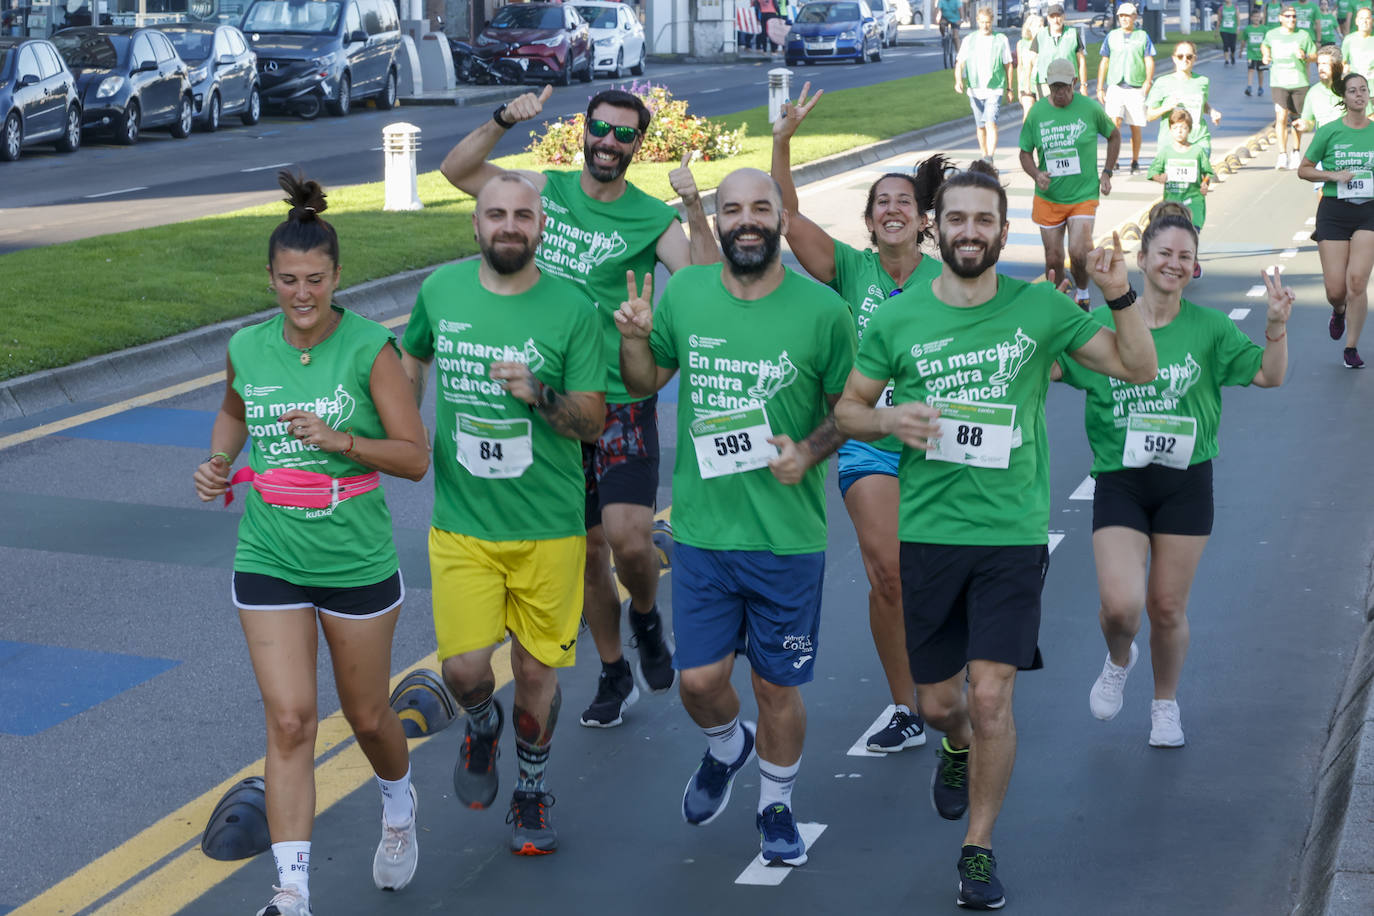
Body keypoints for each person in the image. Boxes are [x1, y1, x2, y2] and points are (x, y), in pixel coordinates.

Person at [833, 160, 1157, 911]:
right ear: (932, 227)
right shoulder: (898, 318)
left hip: (1011, 536)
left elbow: (1137, 366)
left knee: (990, 698)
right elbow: (849, 410)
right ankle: (950, 747)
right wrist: (889, 419)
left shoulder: (1037, 311)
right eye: (957, 219)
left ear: (1003, 231)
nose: (970, 231)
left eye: (984, 220)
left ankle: (976, 848)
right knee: (941, 705)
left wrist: (1118, 293)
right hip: (930, 533)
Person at [440, 87, 719, 730]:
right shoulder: (544, 193)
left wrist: (694, 207)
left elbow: (706, 280)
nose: (609, 144)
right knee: (589, 551)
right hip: (550, 404)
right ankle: (615, 668)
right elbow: (458, 174)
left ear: (636, 147)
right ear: (584, 131)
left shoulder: (651, 219)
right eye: (601, 129)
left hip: (619, 399)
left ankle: (646, 616)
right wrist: (504, 119)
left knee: (628, 539)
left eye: (625, 136)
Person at [193, 172, 431, 916]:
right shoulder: (247, 346)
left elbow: (415, 456)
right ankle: (291, 892)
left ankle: (398, 804)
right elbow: (234, 412)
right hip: (268, 553)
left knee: (365, 717)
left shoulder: (370, 349)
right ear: (270, 277)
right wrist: (220, 461)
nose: (302, 295)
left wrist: (340, 440)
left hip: (355, 558)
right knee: (291, 719)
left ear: (337, 276)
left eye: (316, 280)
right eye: (289, 280)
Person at [615, 167, 857, 868]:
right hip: (702, 534)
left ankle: (775, 803)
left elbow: (849, 409)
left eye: (760, 207)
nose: (746, 220)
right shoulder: (687, 292)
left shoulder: (822, 313)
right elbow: (645, 380)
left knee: (777, 686)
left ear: (782, 216)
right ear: (715, 219)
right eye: (732, 209)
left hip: (786, 540)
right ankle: (728, 746)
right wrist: (635, 336)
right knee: (698, 682)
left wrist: (808, 453)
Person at [400, 172, 607, 855]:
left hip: (549, 529)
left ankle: (531, 792)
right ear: (476, 225)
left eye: (523, 215)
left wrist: (538, 393)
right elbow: (413, 358)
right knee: (462, 670)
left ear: (541, 228)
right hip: (464, 525)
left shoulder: (572, 310)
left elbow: (591, 423)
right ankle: (481, 723)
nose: (509, 225)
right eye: (496, 214)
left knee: (536, 677)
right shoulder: (441, 291)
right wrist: (397, 421)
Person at [1056, 202, 1293, 748]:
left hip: (1186, 480)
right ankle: (1119, 657)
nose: (1174, 263)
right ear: (1140, 259)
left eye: (1185, 256)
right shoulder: (1096, 328)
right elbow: (1046, 367)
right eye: (1164, 253)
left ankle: (1165, 703)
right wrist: (1046, 324)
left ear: (1194, 267)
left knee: (1166, 606)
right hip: (1121, 478)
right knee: (1121, 605)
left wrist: (1276, 327)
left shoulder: (1208, 329)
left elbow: (1269, 377)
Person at [771, 82, 948, 754]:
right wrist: (783, 142)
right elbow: (788, 217)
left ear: (923, 219)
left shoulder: (948, 280)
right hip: (868, 442)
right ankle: (905, 705)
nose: (894, 209)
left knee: (938, 573)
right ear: (871, 223)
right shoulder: (849, 271)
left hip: (939, 443)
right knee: (889, 572)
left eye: (906, 200)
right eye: (883, 203)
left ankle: (946, 681)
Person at [1020, 57, 1122, 309]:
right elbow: (1024, 152)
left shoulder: (1090, 108)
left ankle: (1084, 294)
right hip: (1049, 197)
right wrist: (1036, 174)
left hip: (1082, 195)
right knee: (1053, 257)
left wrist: (1107, 172)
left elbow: (1114, 135)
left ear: (1075, 83)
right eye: (1055, 87)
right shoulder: (1037, 112)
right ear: (1047, 86)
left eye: (1065, 87)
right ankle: (1058, 304)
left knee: (1078, 251)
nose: (1060, 92)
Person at [1298, 68, 1374, 367]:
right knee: (1336, 290)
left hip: (1369, 210)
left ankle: (1351, 347)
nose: (1359, 94)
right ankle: (1338, 310)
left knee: (1357, 283)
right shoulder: (1329, 130)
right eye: (1353, 90)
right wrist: (1332, 174)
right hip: (1334, 210)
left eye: (1363, 89)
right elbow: (1303, 169)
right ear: (1344, 97)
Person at [1146, 109, 1215, 277]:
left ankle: (1193, 261)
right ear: (1170, 130)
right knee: (1173, 236)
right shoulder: (1166, 152)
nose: (1180, 132)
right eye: (1176, 128)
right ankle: (1175, 263)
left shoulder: (1197, 152)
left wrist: (1205, 184)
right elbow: (1152, 171)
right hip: (1172, 203)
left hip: (1193, 200)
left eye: (1183, 128)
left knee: (1192, 232)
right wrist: (1159, 177)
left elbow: (1208, 173)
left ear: (1189, 130)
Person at [1096, 2, 1155, 175]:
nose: (1124, 19)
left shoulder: (1142, 36)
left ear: (1134, 17)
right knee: (1114, 124)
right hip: (1115, 86)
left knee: (1135, 126)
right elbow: (1104, 60)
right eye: (1121, 16)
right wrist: (1100, 87)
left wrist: (1148, 82)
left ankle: (1135, 160)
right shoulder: (1112, 36)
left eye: (1127, 15)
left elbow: (1149, 59)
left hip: (1135, 86)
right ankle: (1113, 159)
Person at [955, 5, 1014, 161]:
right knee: (980, 126)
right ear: (977, 21)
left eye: (987, 22)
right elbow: (960, 62)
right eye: (981, 22)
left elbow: (1008, 65)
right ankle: (983, 153)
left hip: (994, 89)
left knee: (990, 123)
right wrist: (958, 80)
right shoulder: (969, 40)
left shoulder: (1001, 40)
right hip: (975, 89)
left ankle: (989, 157)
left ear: (992, 21)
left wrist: (1009, 88)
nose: (985, 26)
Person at [1264, 4, 1319, 169]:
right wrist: (1266, 54)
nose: (1291, 19)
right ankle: (1282, 154)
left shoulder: (1303, 35)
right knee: (1280, 117)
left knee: (1296, 119)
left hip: (1299, 82)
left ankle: (1295, 152)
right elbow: (1265, 44)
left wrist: (1306, 56)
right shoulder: (1272, 34)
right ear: (1281, 18)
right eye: (1288, 16)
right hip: (1279, 82)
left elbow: (1315, 55)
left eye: (1294, 16)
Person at [1146, 39, 1221, 159]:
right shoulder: (1162, 82)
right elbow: (1150, 116)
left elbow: (1202, 102)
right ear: (1174, 58)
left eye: (1189, 56)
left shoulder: (1202, 81)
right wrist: (1166, 107)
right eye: (1180, 56)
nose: (1185, 60)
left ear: (1194, 58)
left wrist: (1212, 112)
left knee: (1199, 174)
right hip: (1171, 143)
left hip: (1198, 139)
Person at [1032, 4, 1086, 97]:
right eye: (1052, 17)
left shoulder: (1073, 34)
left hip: (1067, 82)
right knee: (1046, 111)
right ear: (1048, 18)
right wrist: (1028, 85)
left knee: (1066, 110)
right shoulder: (1041, 35)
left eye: (1058, 16)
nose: (1056, 20)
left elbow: (1081, 61)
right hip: (1045, 83)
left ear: (1063, 17)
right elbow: (1031, 61)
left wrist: (1083, 85)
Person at [1017, 13, 1044, 117]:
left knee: (1042, 116)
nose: (1042, 28)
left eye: (1043, 25)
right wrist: (1020, 87)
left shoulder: (1046, 43)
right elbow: (1020, 66)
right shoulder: (1021, 44)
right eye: (1039, 26)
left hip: (1042, 84)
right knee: (1028, 115)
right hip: (1027, 85)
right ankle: (1027, 133)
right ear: (1030, 27)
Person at [1244, 8, 1272, 96]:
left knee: (1260, 71)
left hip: (1261, 55)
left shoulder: (1264, 29)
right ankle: (1249, 86)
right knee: (1250, 70)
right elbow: (1244, 40)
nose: (1256, 18)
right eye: (1254, 17)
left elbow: (1268, 42)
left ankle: (1260, 87)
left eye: (1258, 17)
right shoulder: (1248, 29)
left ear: (1260, 18)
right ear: (1251, 18)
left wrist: (1269, 53)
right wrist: (1241, 50)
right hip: (1251, 54)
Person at [1343, 6, 1374, 77]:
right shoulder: (1349, 39)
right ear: (1356, 21)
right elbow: (1342, 62)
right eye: (1361, 18)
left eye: (1367, 18)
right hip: (1356, 82)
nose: (1364, 21)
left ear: (1372, 21)